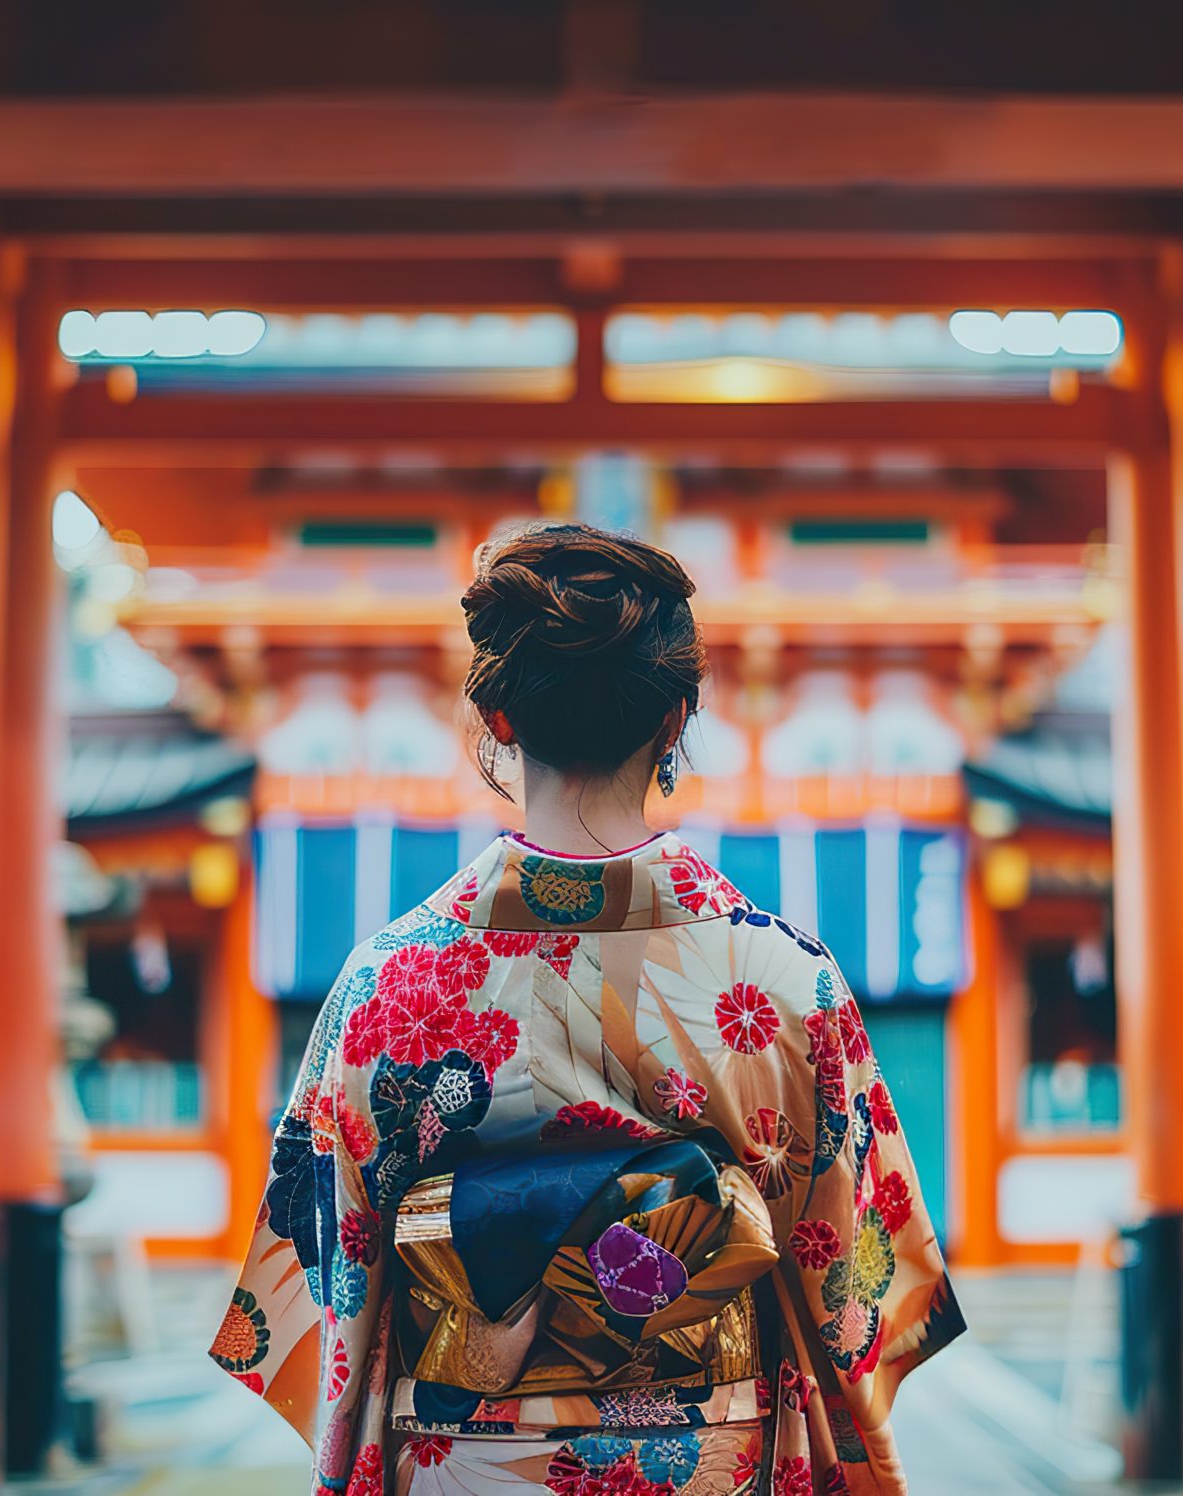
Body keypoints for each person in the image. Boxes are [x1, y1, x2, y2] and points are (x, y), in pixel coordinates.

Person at [210, 522, 961, 1495]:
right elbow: (854, 1292)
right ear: (676, 714)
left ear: (498, 715)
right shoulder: (783, 980)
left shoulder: (382, 984)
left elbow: (330, 1277)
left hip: (463, 1458)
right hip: (703, 1458)